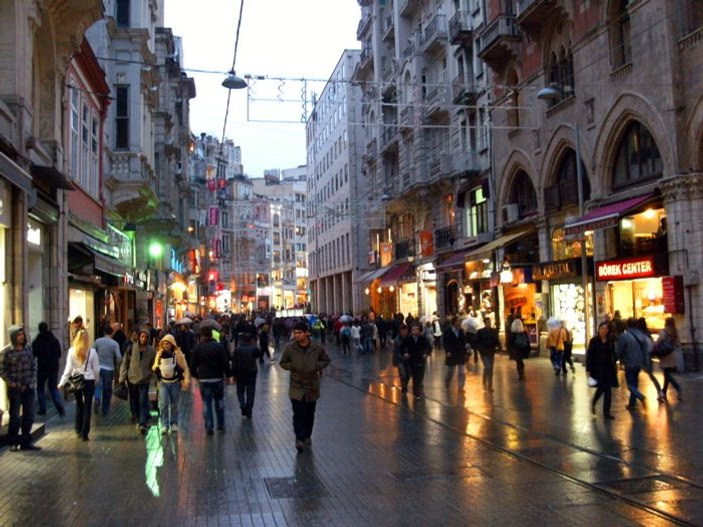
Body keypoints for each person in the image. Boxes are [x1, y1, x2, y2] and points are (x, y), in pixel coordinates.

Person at [279, 320, 331, 452]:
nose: (296, 335)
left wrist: (316, 366)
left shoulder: (316, 348)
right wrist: (293, 366)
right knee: (298, 413)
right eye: (295, 332)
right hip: (296, 386)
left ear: (306, 333)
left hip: (311, 386)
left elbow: (326, 360)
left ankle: (307, 435)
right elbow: (283, 363)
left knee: (309, 413)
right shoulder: (290, 348)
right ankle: (299, 438)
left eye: (299, 332)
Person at [0, 325, 41, 451]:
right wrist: (10, 382)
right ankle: (13, 442)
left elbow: (34, 365)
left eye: (22, 334)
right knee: (14, 415)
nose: (21, 337)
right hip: (15, 388)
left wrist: (32, 380)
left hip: (28, 386)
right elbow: (2, 369)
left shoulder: (28, 349)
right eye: (18, 335)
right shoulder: (7, 351)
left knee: (29, 415)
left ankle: (25, 441)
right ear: (13, 336)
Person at [59, 329, 100, 441]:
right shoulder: (92, 352)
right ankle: (85, 432)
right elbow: (96, 369)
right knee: (87, 406)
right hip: (89, 380)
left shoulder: (72, 351)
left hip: (76, 380)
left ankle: (78, 428)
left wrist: (62, 382)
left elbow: (68, 369)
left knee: (79, 404)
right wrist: (96, 379)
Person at [190, 326, 232, 435]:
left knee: (206, 403)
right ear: (212, 334)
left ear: (202, 335)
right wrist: (228, 374)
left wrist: (196, 375)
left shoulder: (198, 347)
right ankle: (220, 424)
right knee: (219, 401)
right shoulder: (218, 347)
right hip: (217, 378)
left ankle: (209, 426)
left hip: (204, 379)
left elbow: (193, 365)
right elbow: (225, 362)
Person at [119, 327, 157, 435]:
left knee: (143, 401)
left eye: (146, 337)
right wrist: (122, 378)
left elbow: (154, 365)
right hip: (132, 379)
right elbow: (125, 363)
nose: (144, 339)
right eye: (142, 337)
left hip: (144, 380)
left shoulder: (151, 351)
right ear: (139, 337)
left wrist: (151, 376)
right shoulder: (131, 348)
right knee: (134, 402)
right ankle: (137, 416)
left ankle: (142, 423)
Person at [152, 334, 190, 434]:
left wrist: (186, 379)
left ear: (172, 344)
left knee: (174, 404)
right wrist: (156, 367)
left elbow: (185, 367)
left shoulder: (178, 354)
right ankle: (164, 424)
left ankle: (174, 423)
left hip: (175, 383)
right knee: (163, 403)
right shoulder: (159, 353)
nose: (166, 346)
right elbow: (155, 366)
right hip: (163, 382)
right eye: (164, 344)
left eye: (168, 344)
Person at [31, 322, 65, 417]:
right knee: (53, 388)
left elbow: (33, 355)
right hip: (54, 367)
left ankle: (43, 409)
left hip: (42, 368)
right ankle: (60, 407)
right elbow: (59, 354)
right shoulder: (54, 340)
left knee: (40, 388)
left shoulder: (37, 341)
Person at [586, 322, 618, 419]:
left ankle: (606, 412)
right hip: (597, 369)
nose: (604, 330)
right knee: (601, 388)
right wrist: (589, 369)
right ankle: (594, 402)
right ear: (599, 329)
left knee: (607, 390)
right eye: (602, 328)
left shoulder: (610, 340)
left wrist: (615, 364)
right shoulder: (594, 341)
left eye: (606, 328)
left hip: (608, 368)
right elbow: (589, 356)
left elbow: (613, 353)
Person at [616, 318, 648, 410]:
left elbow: (619, 351)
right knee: (635, 383)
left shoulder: (624, 336)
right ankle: (632, 404)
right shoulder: (641, 335)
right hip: (639, 363)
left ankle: (641, 396)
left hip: (629, 363)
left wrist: (616, 359)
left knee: (630, 385)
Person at [92, 325, 122, 417]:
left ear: (104, 333)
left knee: (98, 386)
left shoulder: (97, 341)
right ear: (112, 333)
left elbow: (92, 352)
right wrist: (118, 367)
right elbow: (119, 357)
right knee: (107, 390)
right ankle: (105, 409)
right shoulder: (114, 344)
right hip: (109, 369)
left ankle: (97, 399)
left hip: (98, 367)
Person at [232, 332, 261, 418]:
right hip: (252, 372)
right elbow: (258, 354)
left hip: (240, 373)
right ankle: (249, 411)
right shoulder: (254, 348)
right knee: (250, 392)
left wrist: (233, 374)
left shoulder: (237, 350)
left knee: (240, 391)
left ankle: (243, 405)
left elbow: (234, 363)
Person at [401, 323, 432, 400]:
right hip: (412, 360)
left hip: (421, 360)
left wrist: (426, 353)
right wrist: (405, 353)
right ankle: (416, 393)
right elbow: (403, 347)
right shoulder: (408, 339)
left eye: (417, 329)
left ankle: (417, 391)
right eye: (414, 330)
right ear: (411, 331)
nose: (415, 331)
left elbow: (429, 347)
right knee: (415, 376)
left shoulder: (422, 338)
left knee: (420, 376)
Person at [637, 317, 665, 401]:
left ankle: (635, 394)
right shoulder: (647, 332)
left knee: (634, 376)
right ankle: (660, 391)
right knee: (651, 375)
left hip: (640, 356)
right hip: (648, 356)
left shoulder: (639, 333)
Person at [655, 317, 683, 401]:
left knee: (667, 374)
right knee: (667, 374)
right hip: (672, 354)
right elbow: (678, 344)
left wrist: (655, 347)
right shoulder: (675, 331)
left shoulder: (663, 331)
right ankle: (663, 392)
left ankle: (678, 387)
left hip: (665, 355)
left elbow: (658, 342)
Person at [442, 316, 468, 391]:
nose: (460, 323)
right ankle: (447, 382)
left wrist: (466, 352)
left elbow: (464, 342)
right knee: (450, 371)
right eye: (458, 321)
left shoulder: (461, 331)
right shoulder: (448, 331)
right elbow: (445, 342)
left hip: (460, 353)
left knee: (462, 371)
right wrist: (447, 351)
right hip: (451, 353)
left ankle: (461, 386)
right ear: (454, 322)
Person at [475, 317, 500, 392]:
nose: (488, 323)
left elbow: (496, 340)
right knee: (488, 367)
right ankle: (485, 382)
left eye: (489, 322)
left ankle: (490, 386)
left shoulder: (494, 331)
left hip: (491, 352)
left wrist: (499, 347)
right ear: (484, 323)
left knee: (490, 369)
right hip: (484, 352)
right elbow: (477, 342)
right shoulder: (480, 332)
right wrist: (479, 350)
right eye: (487, 322)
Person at [392, 324, 411, 394]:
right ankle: (404, 388)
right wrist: (394, 361)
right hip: (400, 360)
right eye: (402, 331)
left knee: (409, 374)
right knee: (403, 374)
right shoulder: (397, 340)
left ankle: (405, 384)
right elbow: (394, 351)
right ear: (400, 331)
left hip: (409, 360)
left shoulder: (409, 338)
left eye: (405, 331)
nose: (404, 332)